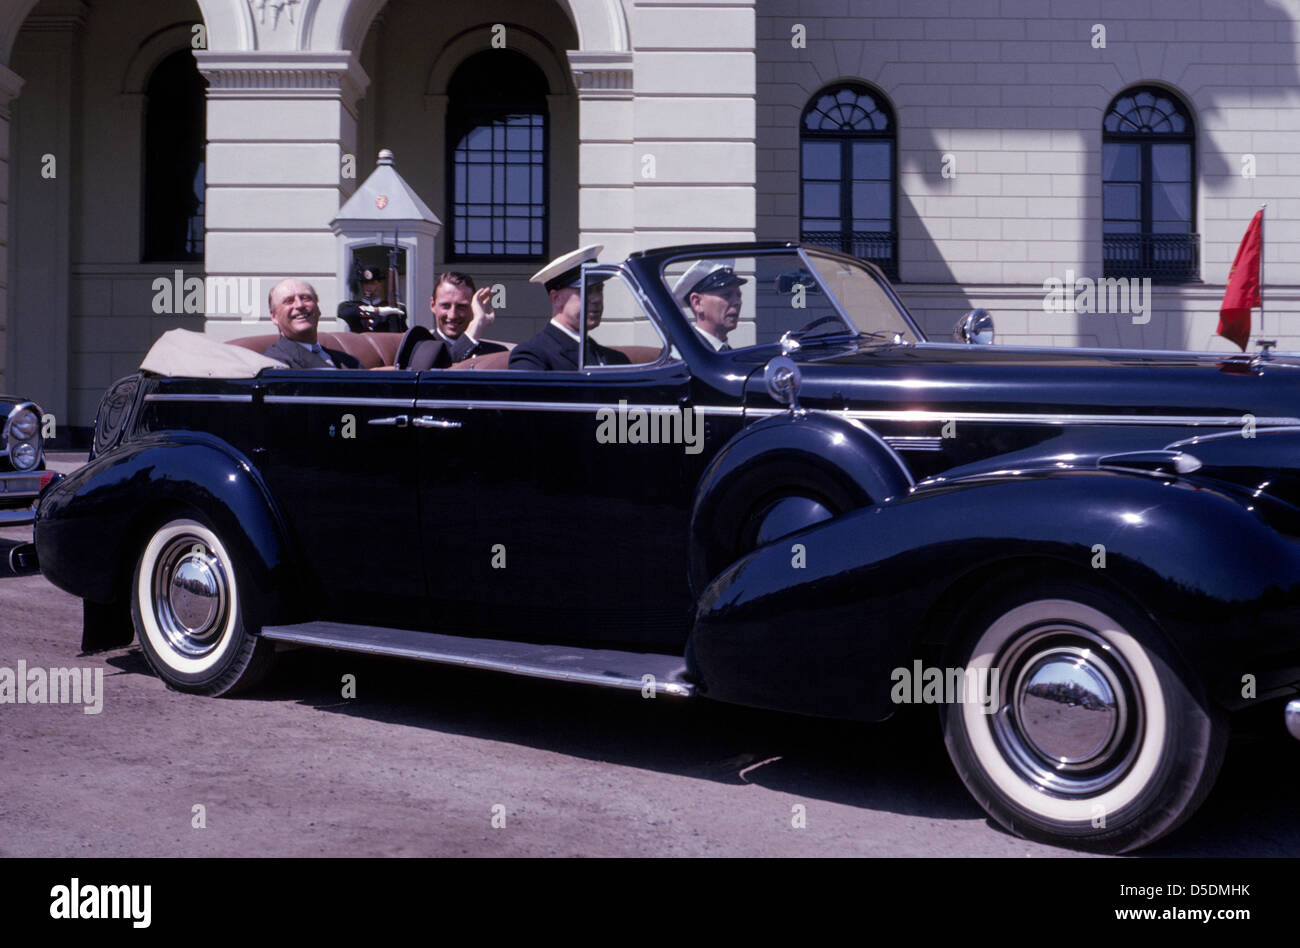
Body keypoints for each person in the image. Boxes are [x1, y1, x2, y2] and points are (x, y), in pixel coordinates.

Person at [508, 245, 630, 371]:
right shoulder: (533, 356)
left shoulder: (615, 359)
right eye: (585, 291)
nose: (597, 299)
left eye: (599, 289)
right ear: (556, 299)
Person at [263, 278, 362, 369]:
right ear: (274, 316)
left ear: (318, 309)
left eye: (306, 298)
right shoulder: (273, 363)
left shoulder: (350, 362)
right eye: (289, 301)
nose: (300, 305)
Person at [429, 272, 508, 361]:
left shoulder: (496, 354)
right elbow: (445, 370)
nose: (452, 315)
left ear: (474, 307)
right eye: (445, 306)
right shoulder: (419, 348)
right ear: (432, 305)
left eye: (461, 307)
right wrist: (474, 329)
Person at [671, 259, 747, 351]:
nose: (737, 302)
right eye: (726, 295)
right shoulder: (683, 354)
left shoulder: (728, 353)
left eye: (738, 295)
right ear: (697, 303)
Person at [338, 263, 407, 333]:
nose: (368, 287)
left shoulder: (391, 307)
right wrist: (377, 310)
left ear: (379, 284)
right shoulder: (351, 307)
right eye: (366, 283)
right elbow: (344, 313)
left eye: (372, 283)